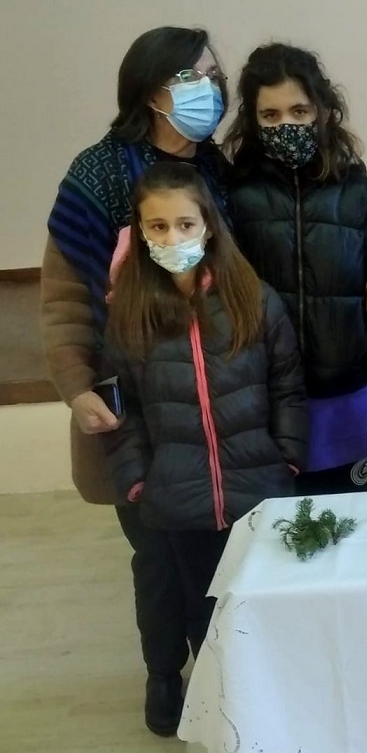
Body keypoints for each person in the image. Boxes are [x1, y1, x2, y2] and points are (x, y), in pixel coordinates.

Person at [40, 26, 229, 736]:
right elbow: (64, 300)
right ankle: (164, 677)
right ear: (151, 89)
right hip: (134, 411)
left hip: (216, 406)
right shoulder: (98, 174)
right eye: (191, 77)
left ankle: (219, 679)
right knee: (156, 558)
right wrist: (78, 388)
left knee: (213, 557)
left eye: (214, 75)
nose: (210, 89)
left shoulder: (220, 171)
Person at [101, 161, 306, 692]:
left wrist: (286, 457)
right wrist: (140, 479)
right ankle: (212, 701)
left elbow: (286, 384)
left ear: (208, 225)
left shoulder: (252, 298)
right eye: (158, 226)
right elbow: (124, 409)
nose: (173, 237)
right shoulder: (130, 312)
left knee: (256, 603)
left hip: (256, 487)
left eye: (185, 224)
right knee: (201, 609)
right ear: (140, 231)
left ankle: (262, 700)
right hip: (179, 497)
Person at [224, 43, 367, 495]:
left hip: (344, 404)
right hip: (262, 403)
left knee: (341, 528)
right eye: (270, 115)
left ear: (324, 111)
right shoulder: (234, 196)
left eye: (299, 111)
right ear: (252, 121)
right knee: (272, 530)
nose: (286, 125)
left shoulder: (360, 194)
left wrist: (364, 351)